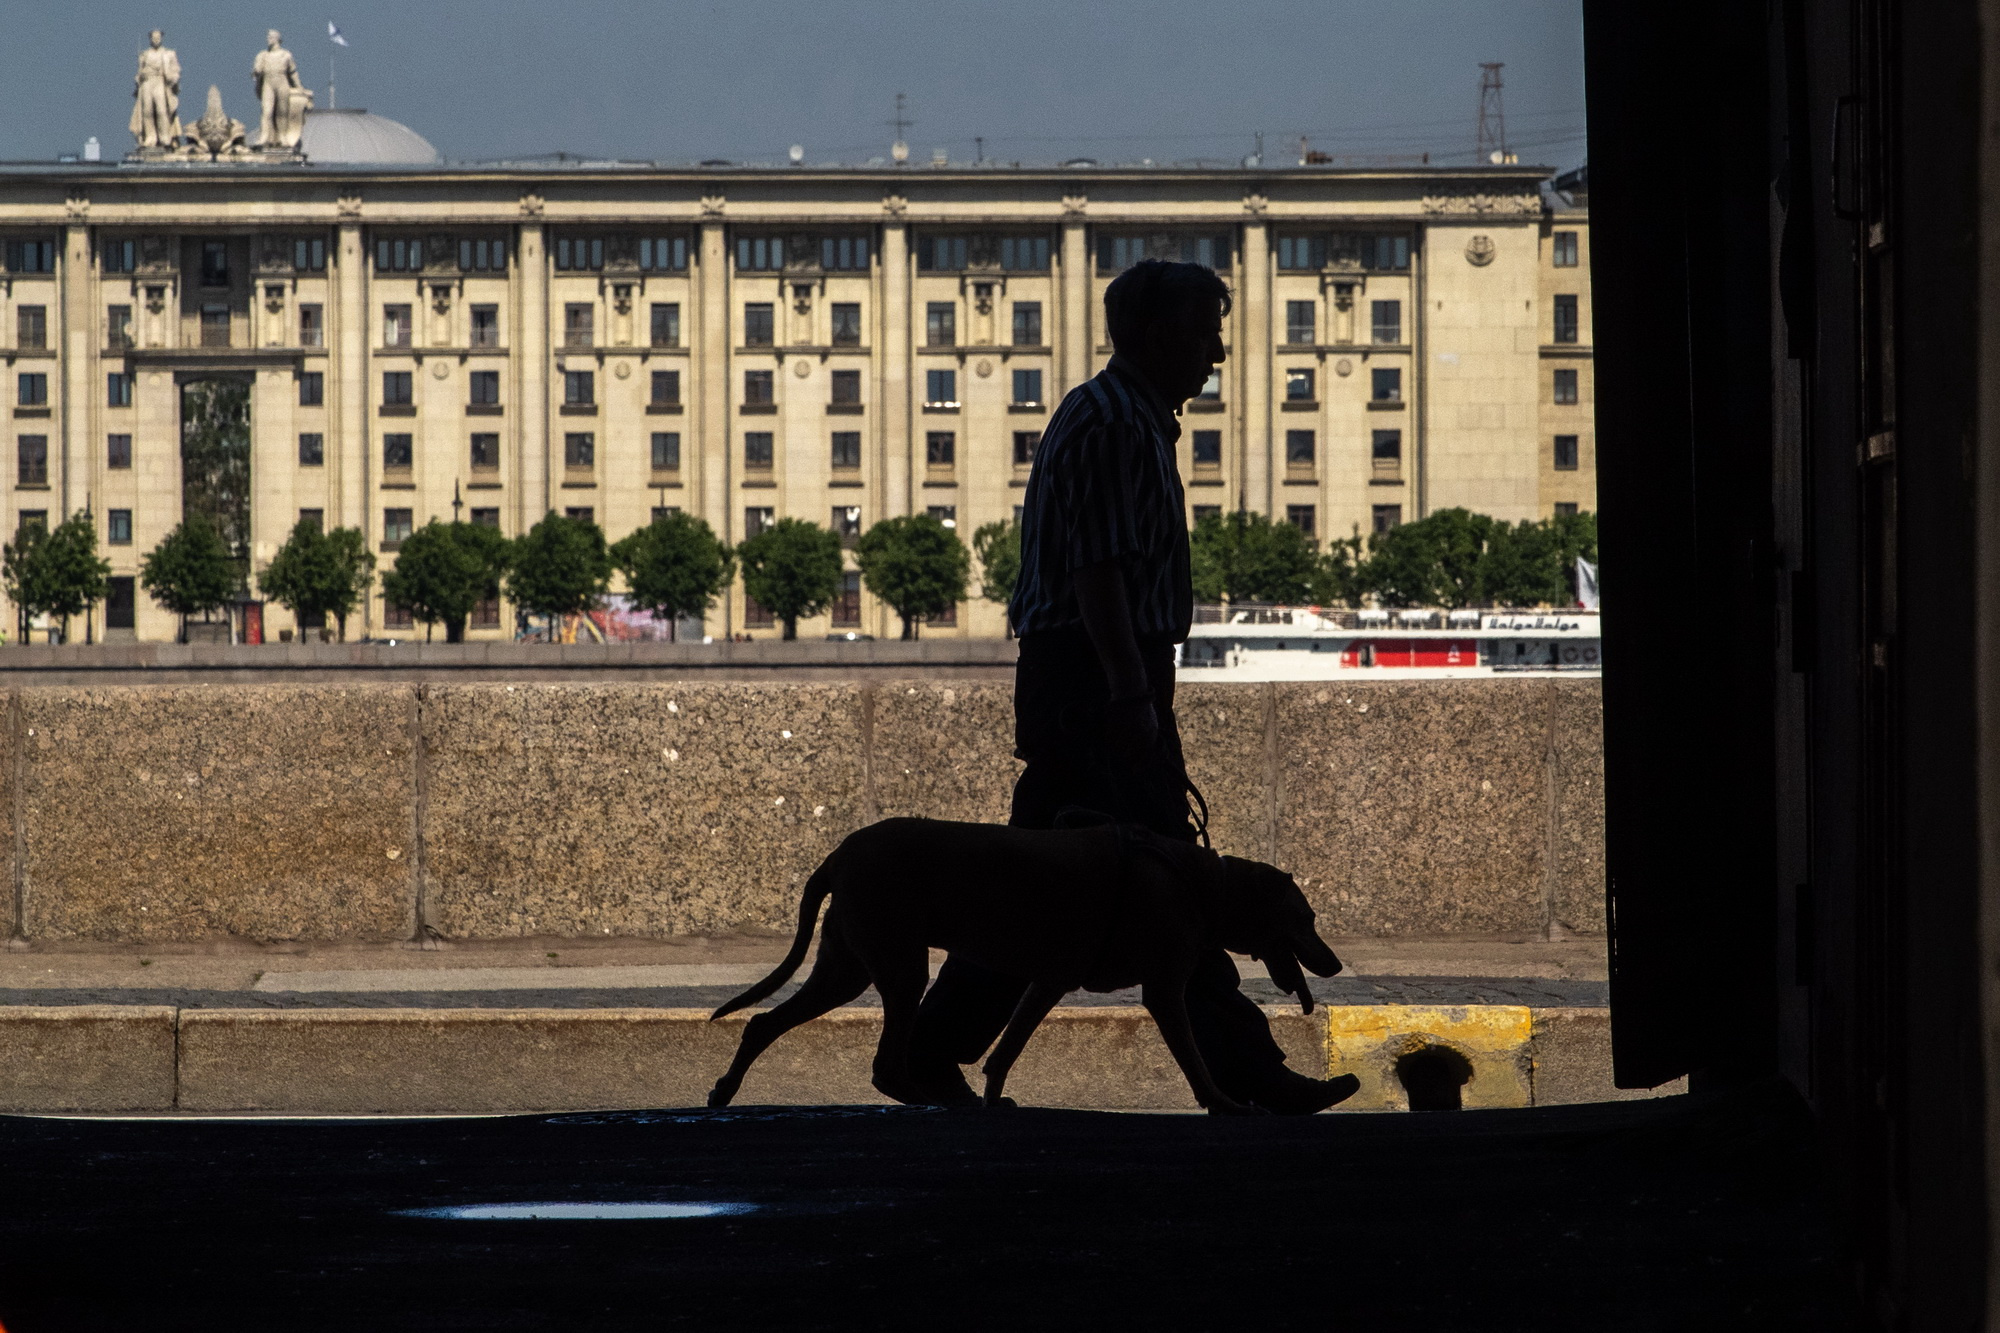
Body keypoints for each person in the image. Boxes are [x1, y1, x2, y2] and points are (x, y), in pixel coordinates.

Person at [908, 259, 1357, 1115]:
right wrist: (1131, 694)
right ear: (1156, 337)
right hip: (1098, 680)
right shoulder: (1119, 426)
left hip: (1089, 676)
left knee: (1040, 887)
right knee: (1172, 883)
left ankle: (931, 1052)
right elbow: (1100, 573)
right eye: (1202, 331)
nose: (1216, 351)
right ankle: (1244, 1073)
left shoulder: (1114, 413)